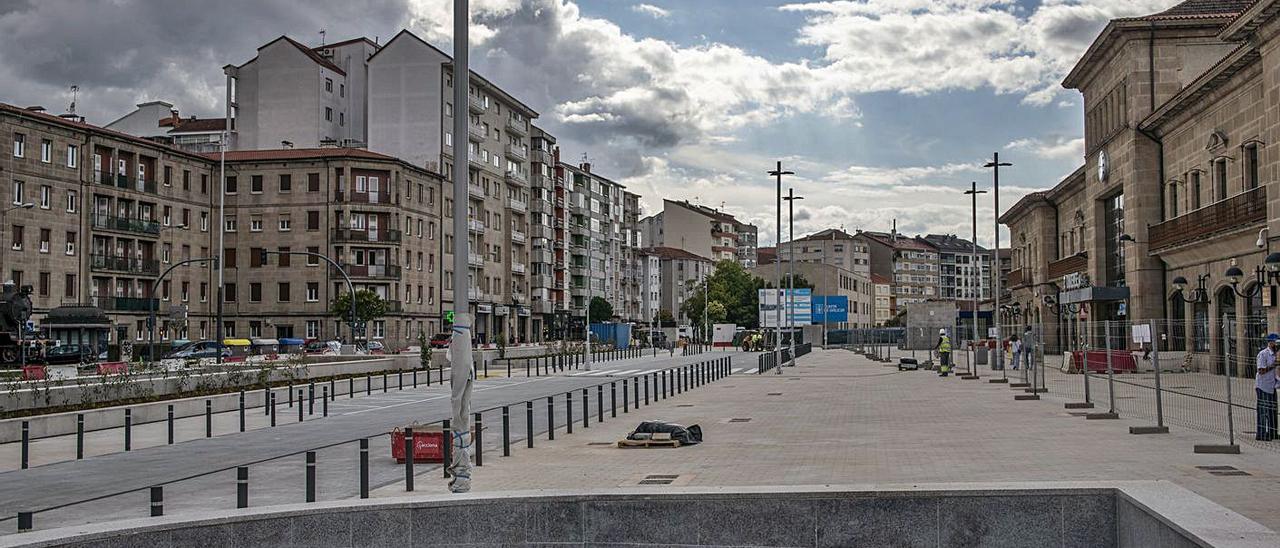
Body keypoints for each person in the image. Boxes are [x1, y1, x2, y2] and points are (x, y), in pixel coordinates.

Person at [1256, 333, 1279, 441]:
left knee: (1272, 411)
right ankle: (1261, 434)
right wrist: (1274, 365)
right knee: (1263, 411)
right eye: (1276, 342)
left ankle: (1273, 432)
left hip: (1272, 386)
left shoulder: (1275, 355)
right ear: (1270, 343)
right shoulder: (1263, 354)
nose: (1277, 345)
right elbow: (1261, 370)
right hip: (1263, 386)